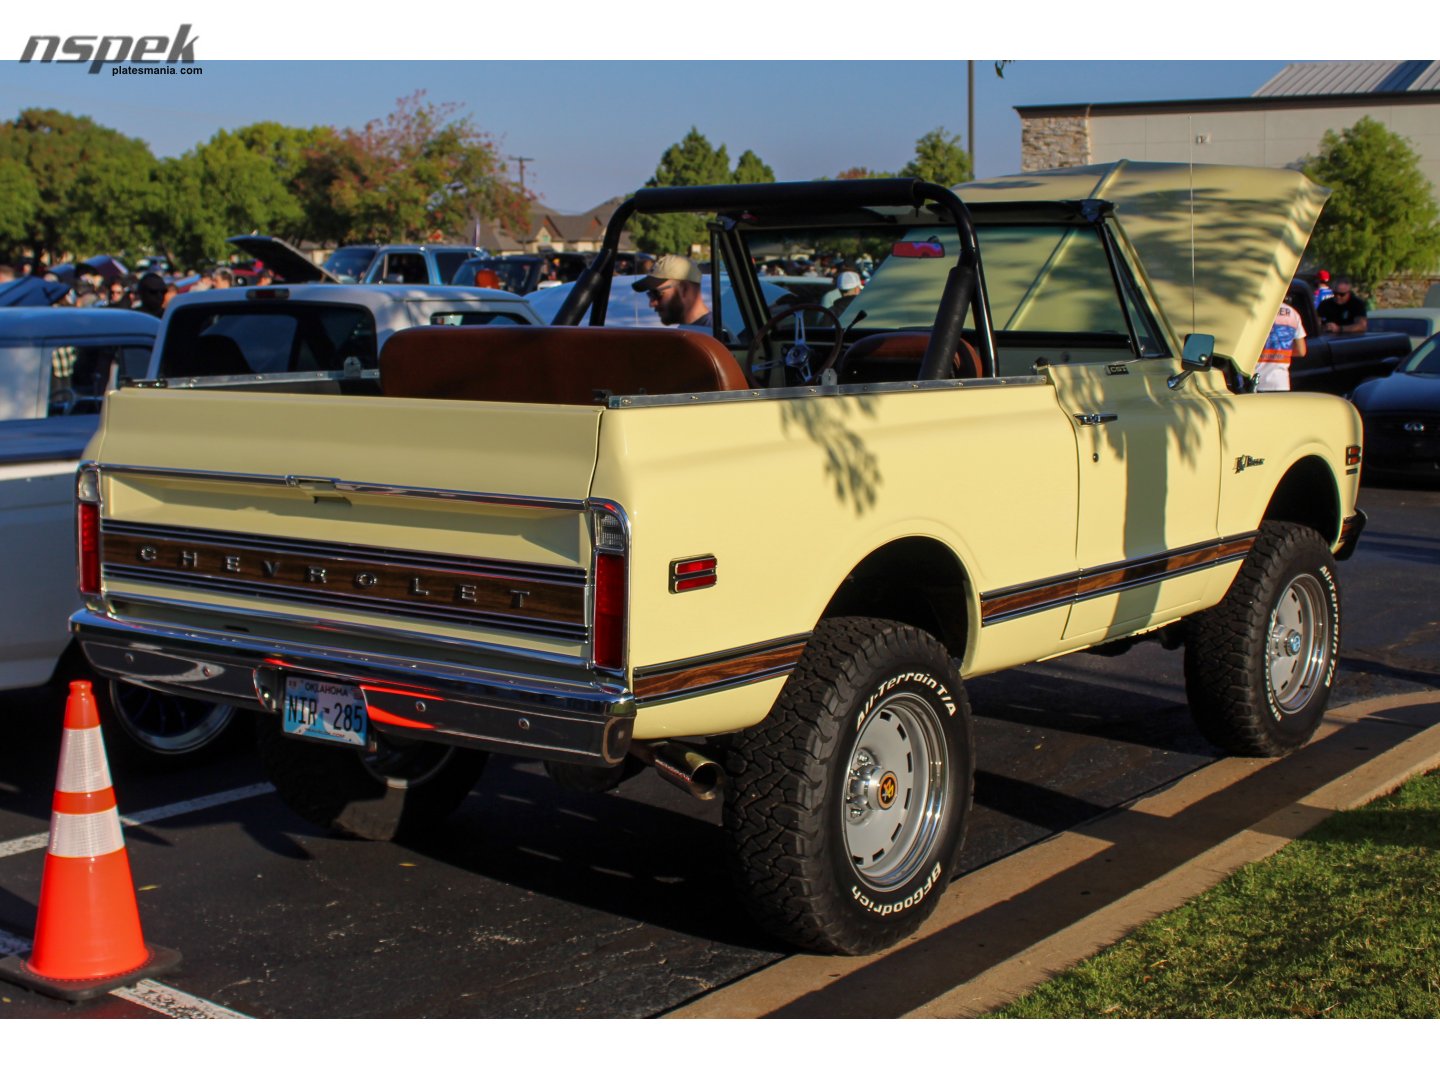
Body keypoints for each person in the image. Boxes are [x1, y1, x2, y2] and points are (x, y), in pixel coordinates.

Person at [632, 254, 711, 326]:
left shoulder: (714, 335)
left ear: (684, 289)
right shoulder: (692, 332)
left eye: (656, 294)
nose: (651, 304)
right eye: (650, 295)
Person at [1256, 301, 1307, 391]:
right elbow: (1301, 351)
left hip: (1253, 381)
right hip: (1280, 382)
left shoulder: (1254, 310)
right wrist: (1280, 353)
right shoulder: (1292, 313)